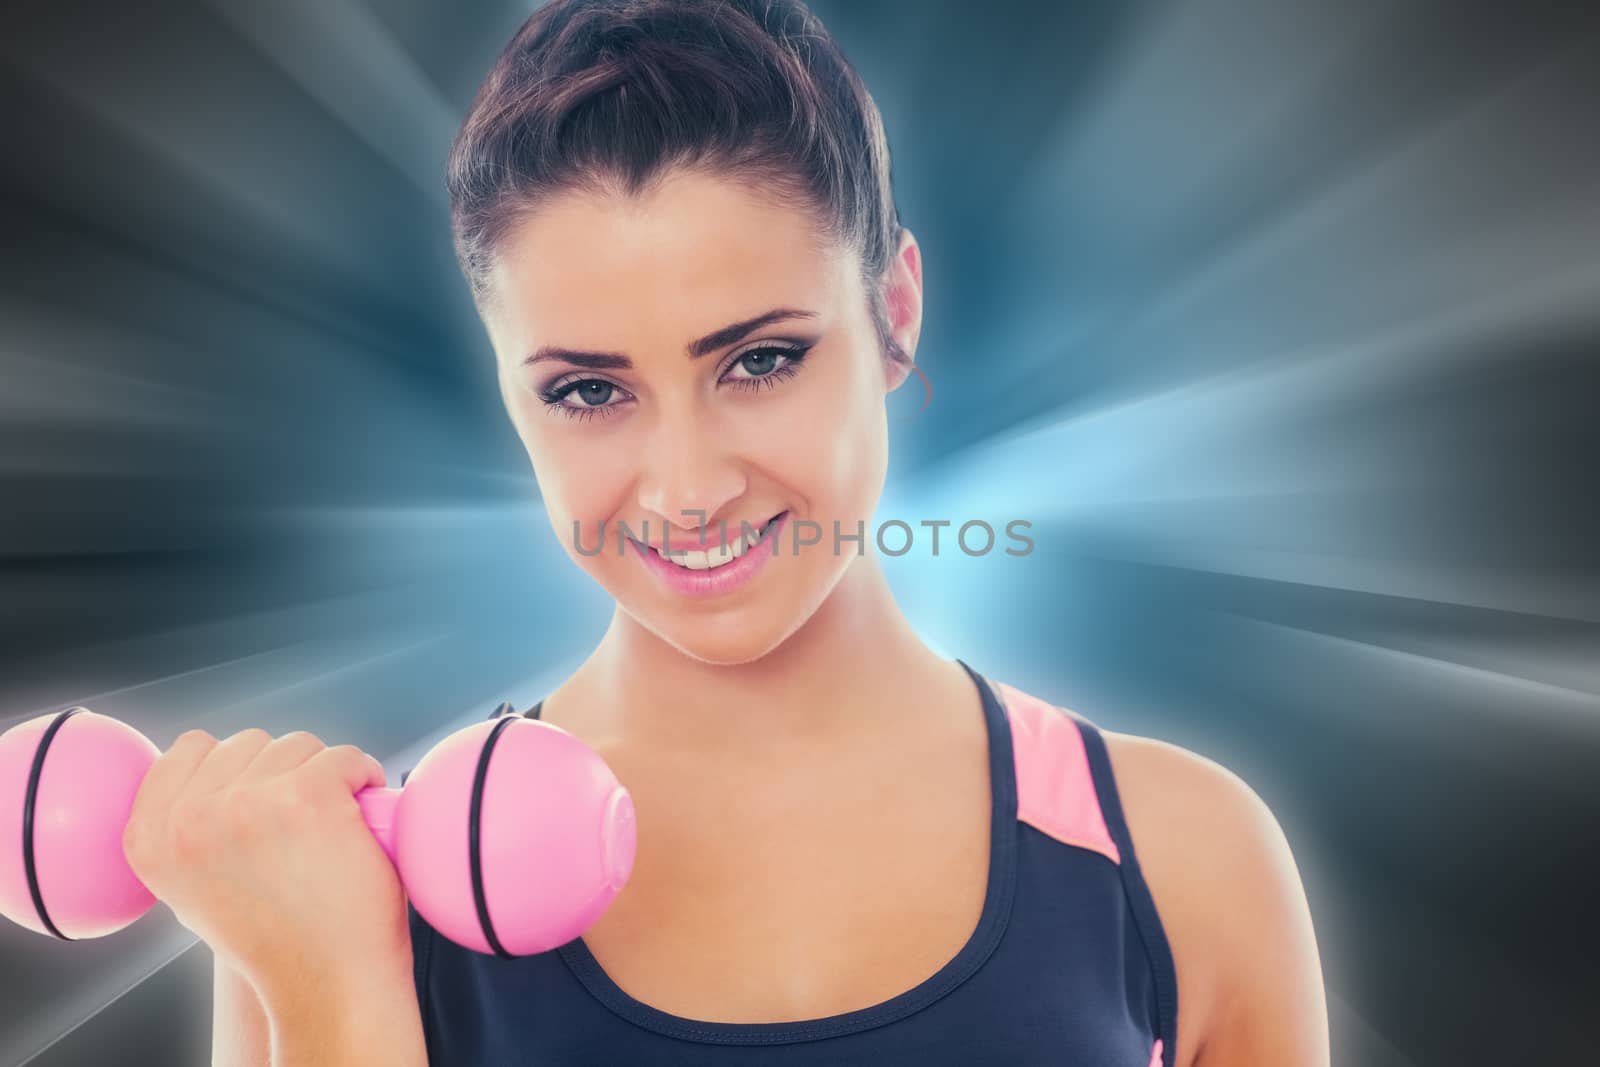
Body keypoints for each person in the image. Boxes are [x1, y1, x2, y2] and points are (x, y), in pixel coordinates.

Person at [145, 1, 1329, 1064]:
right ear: (510, 390)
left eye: (760, 360)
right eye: (588, 390)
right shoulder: (341, 895)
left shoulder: (1180, 859)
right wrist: (339, 989)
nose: (688, 488)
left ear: (894, 311)